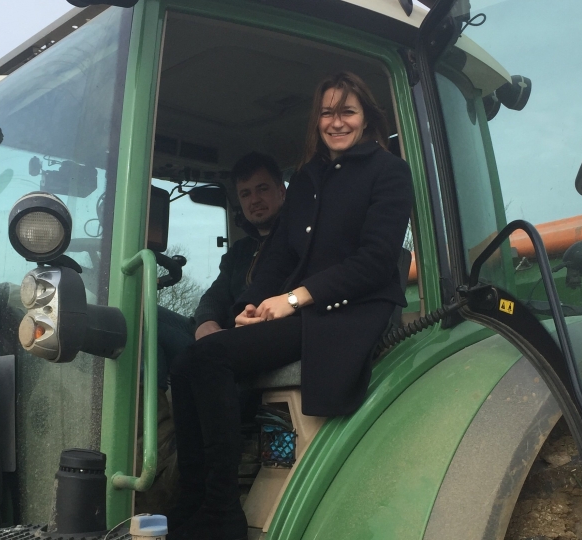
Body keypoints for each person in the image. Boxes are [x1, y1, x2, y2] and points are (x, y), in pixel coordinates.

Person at [168, 72, 414, 540]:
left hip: (349, 313)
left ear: (366, 118)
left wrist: (294, 298)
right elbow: (278, 255)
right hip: (302, 309)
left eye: (347, 111)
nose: (336, 122)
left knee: (213, 357)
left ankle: (222, 514)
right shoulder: (306, 178)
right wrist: (250, 308)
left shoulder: (388, 173)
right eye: (327, 112)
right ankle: (193, 502)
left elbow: (376, 261)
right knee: (186, 361)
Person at [155, 152, 287, 390]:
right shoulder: (240, 251)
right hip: (216, 336)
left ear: (281, 192)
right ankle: (153, 419)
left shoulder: (293, 241)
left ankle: (162, 421)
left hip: (245, 341)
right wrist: (206, 324)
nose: (254, 199)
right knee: (142, 315)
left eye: (262, 189)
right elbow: (214, 295)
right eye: (245, 194)